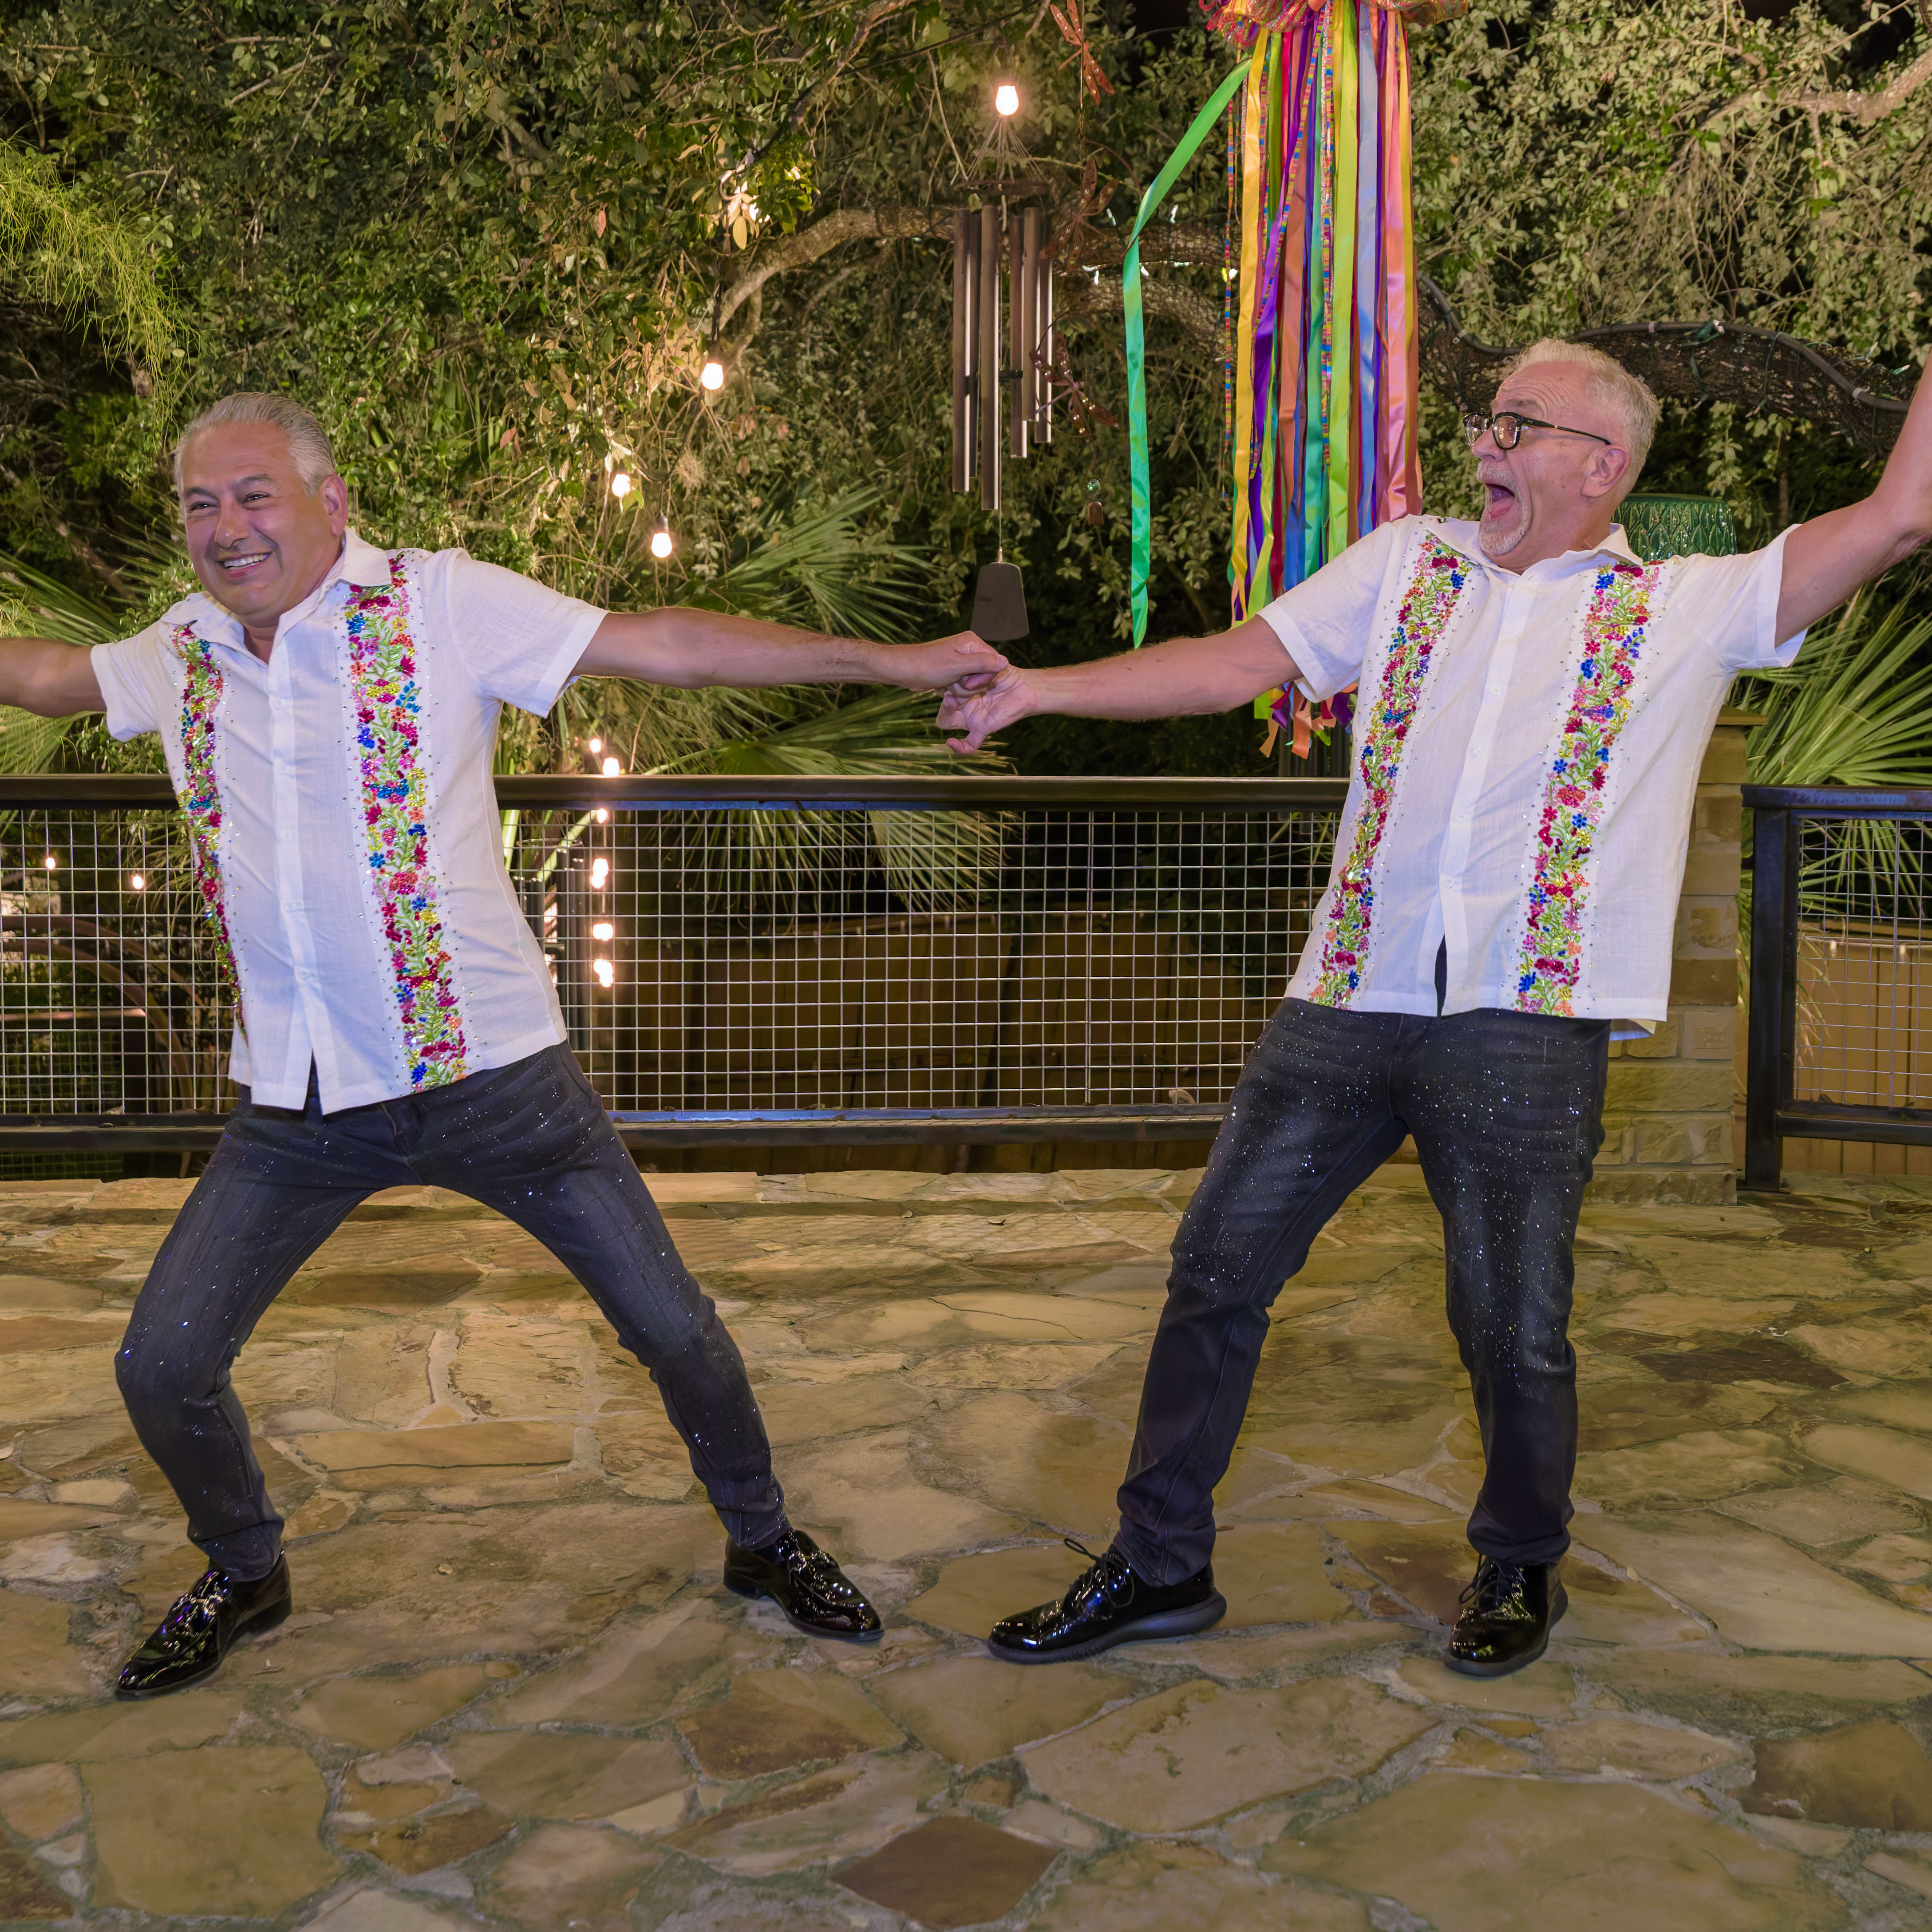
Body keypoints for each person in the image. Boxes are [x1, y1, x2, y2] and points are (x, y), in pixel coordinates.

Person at [940, 337, 1932, 1678]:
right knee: (1215, 1271)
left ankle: (1520, 1562)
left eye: (1516, 426)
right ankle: (1158, 1562)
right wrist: (1038, 687)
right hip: (1350, 989)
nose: (1481, 444)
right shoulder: (1407, 562)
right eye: (1486, 420)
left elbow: (1899, 513)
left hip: (1527, 1018)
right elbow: (1234, 664)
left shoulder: (1691, 606)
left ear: (1601, 465)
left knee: (1509, 1320)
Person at [0, 392, 1007, 1698]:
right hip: (299, 1101)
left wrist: (900, 665)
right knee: (162, 1364)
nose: (225, 526)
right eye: (200, 503)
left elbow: (666, 645)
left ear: (329, 501)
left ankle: (762, 1539)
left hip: (498, 1081)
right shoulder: (180, 648)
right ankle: (245, 1565)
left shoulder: (441, 602)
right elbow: (44, 675)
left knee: (675, 1330)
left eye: (253, 494)